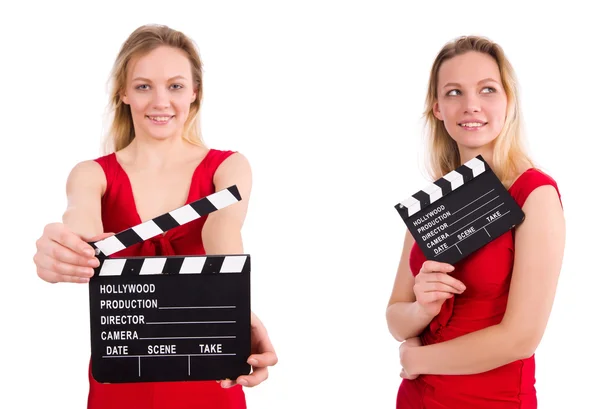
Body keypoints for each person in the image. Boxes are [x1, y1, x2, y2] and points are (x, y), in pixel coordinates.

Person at [32, 24, 277, 409]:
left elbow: (223, 234)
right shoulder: (91, 174)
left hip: (208, 365)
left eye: (175, 86)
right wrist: (62, 250)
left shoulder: (228, 167)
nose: (160, 101)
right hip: (125, 372)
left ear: (195, 93)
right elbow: (82, 231)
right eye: (144, 86)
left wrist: (237, 309)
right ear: (124, 93)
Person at [386, 36, 565, 408]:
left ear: (508, 101)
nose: (471, 106)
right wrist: (423, 309)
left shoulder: (535, 194)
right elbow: (396, 320)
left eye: (487, 90)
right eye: (454, 93)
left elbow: (522, 338)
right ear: (437, 108)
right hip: (417, 398)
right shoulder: (433, 199)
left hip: (491, 400)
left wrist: (416, 358)